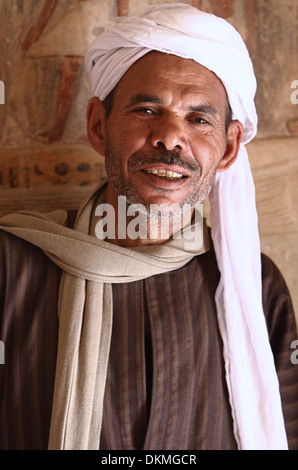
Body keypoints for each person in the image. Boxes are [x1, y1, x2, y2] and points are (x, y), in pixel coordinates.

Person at [0, 3, 298, 451]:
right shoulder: (9, 266)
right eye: (145, 110)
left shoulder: (253, 285)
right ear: (98, 126)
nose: (171, 137)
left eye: (199, 119)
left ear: (230, 146)